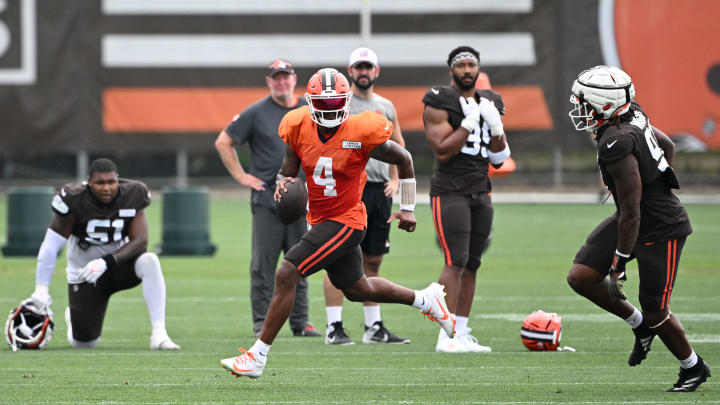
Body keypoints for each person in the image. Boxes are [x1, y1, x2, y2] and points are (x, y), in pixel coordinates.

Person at [220, 68, 455, 379]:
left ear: (345, 102)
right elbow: (287, 170)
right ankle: (425, 299)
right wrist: (282, 183)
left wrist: (408, 207)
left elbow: (405, 159)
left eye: (335, 104)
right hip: (319, 218)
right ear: (310, 102)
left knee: (287, 271)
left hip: (346, 220)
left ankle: (257, 356)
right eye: (323, 104)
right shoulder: (297, 124)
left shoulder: (362, 129)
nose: (330, 110)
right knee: (358, 288)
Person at [566, 65, 711, 392]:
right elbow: (668, 145)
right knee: (582, 277)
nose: (579, 110)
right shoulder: (630, 113)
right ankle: (640, 327)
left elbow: (632, 212)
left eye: (584, 103)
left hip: (659, 227)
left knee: (656, 307)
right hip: (636, 216)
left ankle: (693, 367)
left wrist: (618, 264)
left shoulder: (617, 141)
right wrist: (660, 178)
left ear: (604, 104)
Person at [24, 158, 179, 350]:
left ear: (117, 180)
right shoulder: (72, 198)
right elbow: (51, 245)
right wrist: (41, 288)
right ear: (89, 183)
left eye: (111, 182)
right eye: (100, 183)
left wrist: (106, 262)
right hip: (84, 275)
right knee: (84, 343)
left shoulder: (133, 193)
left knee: (150, 261)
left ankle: (159, 334)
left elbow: (140, 241)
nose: (106, 188)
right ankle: (73, 318)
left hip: (118, 266)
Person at [215, 59, 321, 338]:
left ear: (294, 80)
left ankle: (301, 322)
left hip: (301, 199)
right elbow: (223, 141)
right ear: (269, 81)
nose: (282, 82)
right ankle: (261, 322)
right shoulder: (256, 112)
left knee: (302, 260)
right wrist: (241, 176)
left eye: (286, 77)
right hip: (266, 201)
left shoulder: (308, 110)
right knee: (263, 265)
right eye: (276, 77)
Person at [422, 46, 511, 353]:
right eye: (461, 64)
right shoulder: (439, 100)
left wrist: (495, 127)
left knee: (472, 263)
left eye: (472, 64)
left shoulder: (490, 101)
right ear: (451, 71)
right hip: (450, 190)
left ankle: (460, 331)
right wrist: (469, 122)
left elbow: (499, 159)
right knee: (455, 261)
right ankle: (443, 334)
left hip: (480, 189)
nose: (467, 69)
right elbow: (443, 150)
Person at [320, 47, 409, 345]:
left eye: (368, 67)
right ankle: (334, 326)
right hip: (347, 192)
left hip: (377, 191)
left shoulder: (385, 105)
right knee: (336, 257)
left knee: (373, 260)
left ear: (376, 71)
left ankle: (374, 327)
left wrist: (395, 179)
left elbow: (399, 144)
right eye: (359, 67)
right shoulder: (339, 103)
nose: (364, 72)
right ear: (350, 71)